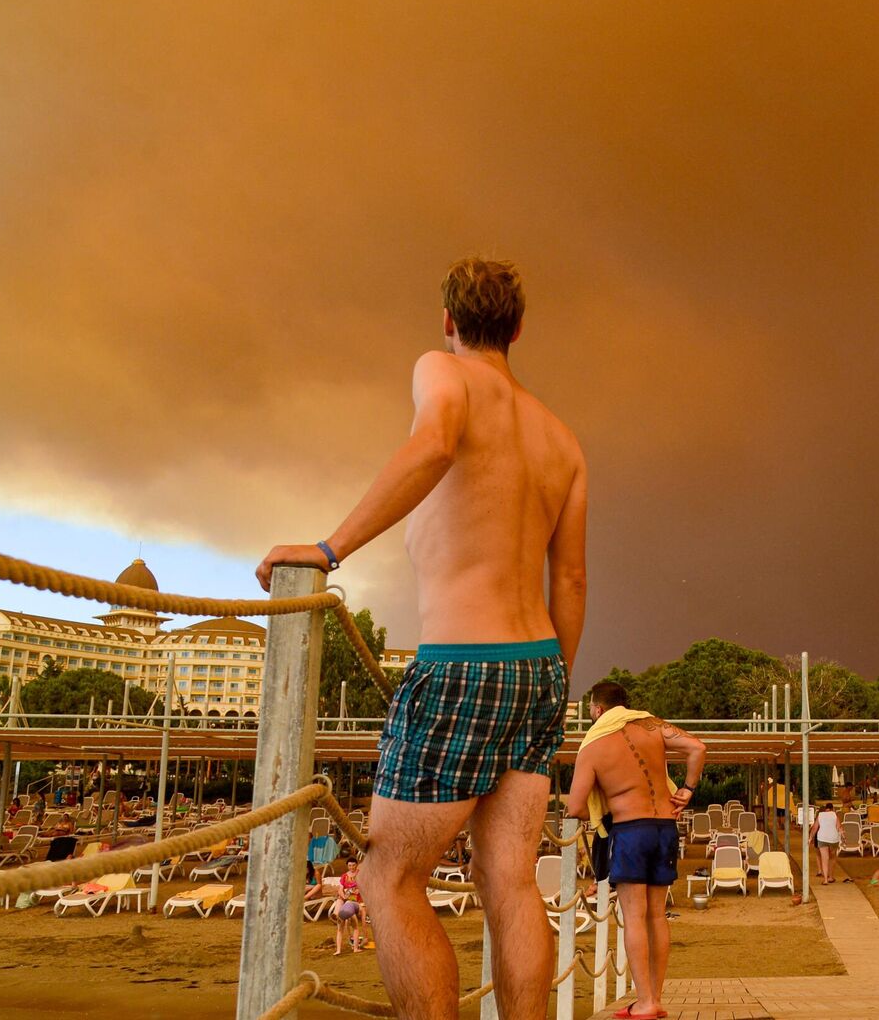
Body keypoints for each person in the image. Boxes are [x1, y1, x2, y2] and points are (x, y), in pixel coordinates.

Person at [258, 257, 587, 1020]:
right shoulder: (563, 439)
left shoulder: (441, 370)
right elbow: (569, 582)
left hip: (463, 662)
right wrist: (550, 690)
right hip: (539, 669)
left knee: (389, 878)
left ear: (448, 321)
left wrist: (329, 549)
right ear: (519, 328)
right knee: (508, 881)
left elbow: (436, 444)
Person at [564, 681, 706, 1020]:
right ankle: (654, 998)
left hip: (630, 830)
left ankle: (644, 1003)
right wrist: (687, 789)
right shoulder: (651, 725)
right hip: (664, 828)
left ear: (597, 709)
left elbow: (574, 806)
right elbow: (697, 748)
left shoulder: (594, 744)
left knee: (634, 918)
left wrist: (599, 815)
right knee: (657, 915)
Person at [332, 858, 371, 955]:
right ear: (347, 866)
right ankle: (336, 914)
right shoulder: (344, 876)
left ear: (356, 865)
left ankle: (340, 949)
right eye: (349, 865)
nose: (351, 867)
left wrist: (360, 890)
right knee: (340, 901)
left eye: (353, 865)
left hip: (357, 900)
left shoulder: (361, 875)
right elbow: (340, 889)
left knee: (342, 928)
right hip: (347, 900)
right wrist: (343, 895)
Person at [810, 802, 842, 884]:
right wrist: (843, 835)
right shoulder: (834, 815)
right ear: (832, 808)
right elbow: (839, 827)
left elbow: (814, 828)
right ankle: (830, 877)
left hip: (822, 838)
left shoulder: (820, 815)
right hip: (833, 838)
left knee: (824, 859)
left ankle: (825, 880)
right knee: (832, 858)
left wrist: (810, 838)